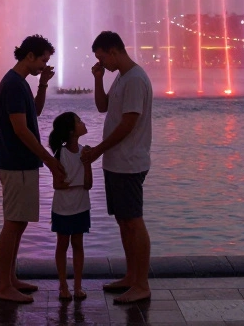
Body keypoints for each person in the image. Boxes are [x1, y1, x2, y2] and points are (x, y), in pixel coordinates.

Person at [82, 30, 153, 303]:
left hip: (129, 162)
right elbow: (103, 107)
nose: (103, 63)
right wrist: (98, 79)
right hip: (117, 163)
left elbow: (128, 123)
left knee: (134, 222)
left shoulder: (135, 79)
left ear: (114, 51)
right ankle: (131, 276)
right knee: (124, 222)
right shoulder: (122, 77)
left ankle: (142, 283)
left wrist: (98, 150)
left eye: (102, 58)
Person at [0, 34, 66, 304]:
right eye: (43, 61)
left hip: (22, 163)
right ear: (29, 56)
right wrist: (49, 159)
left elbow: (33, 113)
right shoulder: (13, 84)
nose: (43, 66)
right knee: (13, 223)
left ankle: (11, 278)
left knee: (19, 221)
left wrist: (43, 85)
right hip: (16, 163)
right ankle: (4, 285)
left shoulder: (21, 83)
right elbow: (21, 130)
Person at [48, 111, 92, 301]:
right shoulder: (61, 154)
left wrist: (87, 163)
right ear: (72, 131)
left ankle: (78, 286)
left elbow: (89, 184)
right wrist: (76, 184)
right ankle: (63, 286)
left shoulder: (84, 151)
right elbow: (57, 184)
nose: (83, 123)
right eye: (79, 122)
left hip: (81, 206)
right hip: (63, 208)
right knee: (63, 244)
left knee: (78, 245)